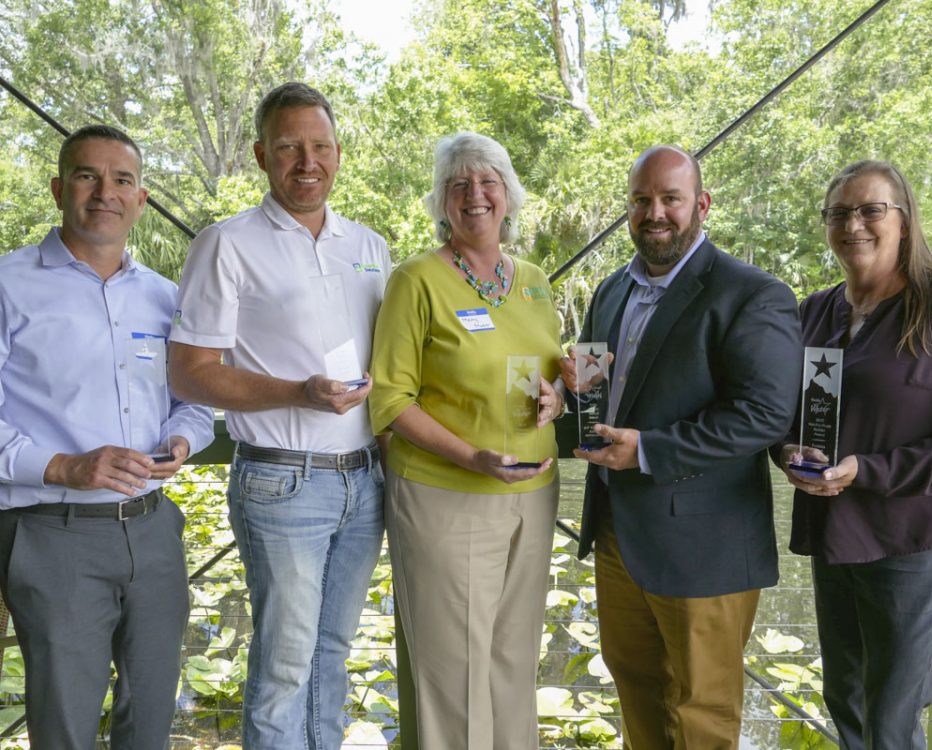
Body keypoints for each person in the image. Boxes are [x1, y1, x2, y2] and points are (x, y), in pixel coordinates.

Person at [168, 83, 391, 749]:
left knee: (331, 655)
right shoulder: (226, 243)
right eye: (289, 147)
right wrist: (300, 392)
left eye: (319, 146)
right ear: (262, 155)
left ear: (339, 154)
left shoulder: (371, 245)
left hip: (366, 481)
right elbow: (189, 373)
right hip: (281, 481)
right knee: (286, 665)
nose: (306, 161)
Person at [560, 145, 802, 749]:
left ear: (702, 204)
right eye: (642, 200)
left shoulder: (752, 293)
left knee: (702, 711)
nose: (655, 213)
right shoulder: (611, 291)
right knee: (637, 693)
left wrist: (647, 450)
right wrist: (559, 403)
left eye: (671, 198)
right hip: (618, 531)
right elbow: (596, 399)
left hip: (706, 543)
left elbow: (766, 414)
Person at [0, 125, 213, 750]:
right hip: (51, 532)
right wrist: (64, 466)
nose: (105, 192)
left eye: (122, 179)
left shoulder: (164, 297)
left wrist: (181, 440)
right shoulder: (8, 284)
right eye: (88, 176)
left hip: (152, 532)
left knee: (151, 716)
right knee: (64, 722)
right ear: (58, 188)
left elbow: (192, 401)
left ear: (141, 199)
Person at [368, 132, 564, 750]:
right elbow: (390, 399)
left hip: (533, 493)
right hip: (445, 495)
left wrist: (559, 394)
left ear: (507, 195)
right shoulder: (416, 281)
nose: (475, 195)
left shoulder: (532, 280)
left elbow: (551, 368)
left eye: (487, 182)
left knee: (513, 658)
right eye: (459, 185)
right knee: (452, 670)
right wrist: (471, 455)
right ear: (442, 203)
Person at [775, 160, 932, 750]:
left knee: (891, 719)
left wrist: (868, 470)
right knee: (846, 703)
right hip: (835, 535)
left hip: (913, 541)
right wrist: (787, 452)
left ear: (903, 221)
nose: (853, 224)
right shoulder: (815, 311)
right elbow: (783, 412)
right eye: (838, 213)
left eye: (870, 210)